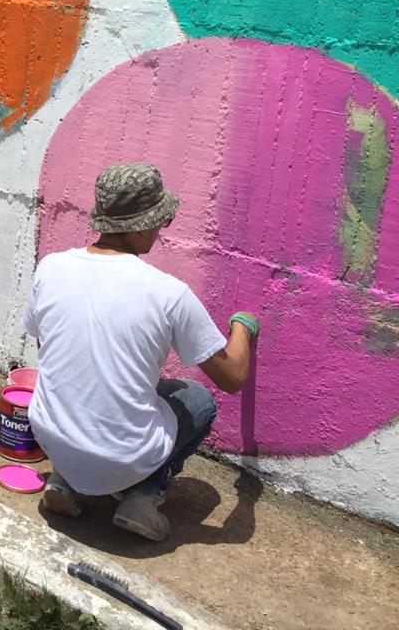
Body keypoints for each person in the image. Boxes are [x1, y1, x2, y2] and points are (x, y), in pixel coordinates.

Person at [22, 162, 260, 541]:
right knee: (196, 400)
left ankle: (64, 481)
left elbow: (46, 349)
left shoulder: (51, 267)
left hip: (49, 436)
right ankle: (143, 496)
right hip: (121, 457)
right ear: (145, 223)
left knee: (84, 384)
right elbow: (232, 378)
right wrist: (242, 329)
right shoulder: (168, 293)